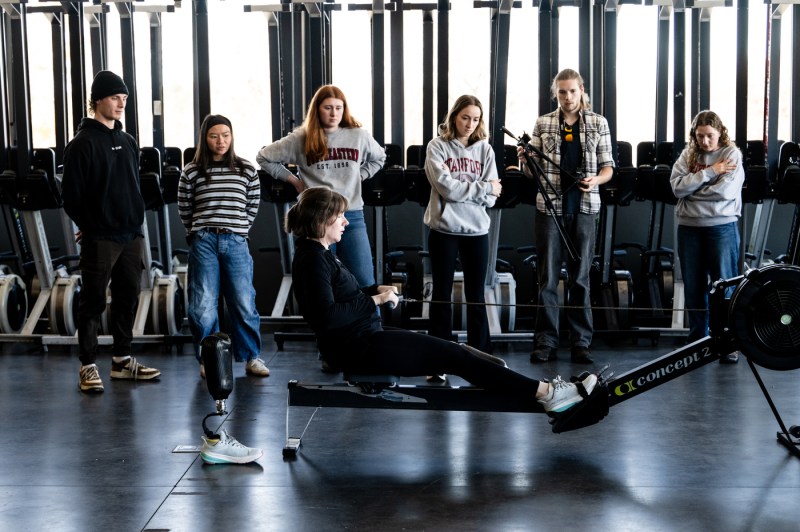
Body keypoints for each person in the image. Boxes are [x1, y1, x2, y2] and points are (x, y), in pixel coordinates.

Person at [284, 186, 598, 415]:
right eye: (339, 216)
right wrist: (376, 300)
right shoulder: (312, 259)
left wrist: (376, 291)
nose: (345, 221)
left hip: (365, 340)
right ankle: (547, 393)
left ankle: (544, 390)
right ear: (322, 219)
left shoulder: (319, 254)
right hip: (357, 350)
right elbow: (326, 316)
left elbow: (342, 297)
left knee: (455, 352)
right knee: (454, 356)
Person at [61, 70, 161, 393]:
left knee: (127, 299)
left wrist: (134, 222)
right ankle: (88, 366)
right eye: (116, 98)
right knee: (92, 302)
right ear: (97, 101)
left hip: (131, 234)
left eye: (125, 100)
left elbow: (130, 186)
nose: (121, 105)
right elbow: (71, 198)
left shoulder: (128, 141)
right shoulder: (81, 145)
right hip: (101, 238)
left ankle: (121, 360)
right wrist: (91, 226)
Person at [519, 68, 614, 365]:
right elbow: (528, 172)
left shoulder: (599, 123)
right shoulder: (543, 123)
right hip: (550, 209)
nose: (568, 97)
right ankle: (546, 342)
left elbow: (608, 167)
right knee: (547, 277)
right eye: (562, 92)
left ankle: (580, 343)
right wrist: (524, 159)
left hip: (585, 208)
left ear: (582, 90)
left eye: (573, 91)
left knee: (581, 277)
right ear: (555, 93)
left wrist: (595, 180)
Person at [256, 84, 387, 289]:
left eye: (338, 107)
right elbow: (263, 157)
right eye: (328, 107)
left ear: (344, 109)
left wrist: (359, 175)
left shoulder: (358, 136)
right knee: (322, 282)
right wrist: (294, 181)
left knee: (364, 281)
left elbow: (380, 158)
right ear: (317, 109)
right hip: (316, 217)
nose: (334, 113)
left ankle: (370, 322)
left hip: (350, 214)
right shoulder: (301, 138)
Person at [177, 114, 269, 378]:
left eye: (225, 135)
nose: (221, 141)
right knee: (203, 304)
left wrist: (238, 230)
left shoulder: (246, 169)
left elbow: (252, 206)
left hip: (236, 241)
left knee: (242, 300)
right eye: (214, 136)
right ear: (205, 138)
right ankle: (209, 360)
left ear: (232, 137)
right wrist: (197, 232)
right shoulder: (192, 171)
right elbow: (185, 208)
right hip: (204, 240)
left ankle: (251, 357)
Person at [423, 95, 501, 381]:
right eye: (465, 117)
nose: (470, 124)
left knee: (476, 296)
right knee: (441, 296)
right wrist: (483, 188)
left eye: (476, 119)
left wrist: (478, 190)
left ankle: (482, 361)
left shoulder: (486, 151)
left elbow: (493, 200)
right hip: (444, 230)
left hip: (477, 232)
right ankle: (437, 362)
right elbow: (448, 190)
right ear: (454, 116)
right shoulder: (437, 147)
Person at [669, 110, 744, 364]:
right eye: (700, 136)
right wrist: (711, 171)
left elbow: (725, 192)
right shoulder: (688, 154)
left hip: (721, 227)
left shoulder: (731, 154)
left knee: (724, 285)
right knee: (693, 287)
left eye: (710, 136)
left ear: (720, 132)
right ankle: (697, 343)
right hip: (689, 228)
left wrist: (692, 191)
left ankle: (727, 343)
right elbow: (676, 188)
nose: (705, 142)